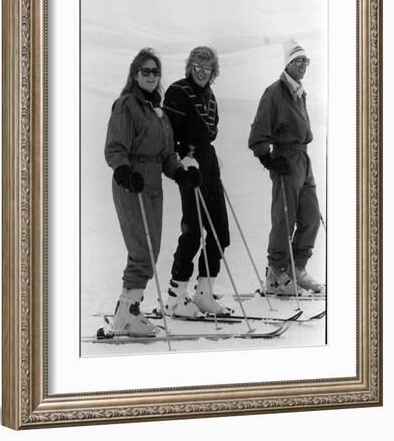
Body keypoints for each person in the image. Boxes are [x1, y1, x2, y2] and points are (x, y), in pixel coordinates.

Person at [105, 48, 202, 337]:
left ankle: (129, 310)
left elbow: (166, 155)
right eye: (145, 71)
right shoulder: (126, 105)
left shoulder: (157, 112)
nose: (150, 76)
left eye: (155, 72)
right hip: (131, 183)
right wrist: (123, 171)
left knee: (151, 250)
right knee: (141, 251)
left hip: (153, 185)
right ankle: (126, 314)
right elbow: (115, 147)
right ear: (135, 75)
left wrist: (181, 172)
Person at [248, 38, 323, 295]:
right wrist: (267, 158)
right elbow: (258, 132)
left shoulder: (300, 92)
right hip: (286, 159)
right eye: (298, 60)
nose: (303, 65)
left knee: (311, 217)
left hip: (303, 159)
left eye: (305, 60)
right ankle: (276, 273)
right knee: (284, 218)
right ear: (288, 63)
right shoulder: (274, 93)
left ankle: (297, 269)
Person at [162, 46, 231, 317]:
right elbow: (168, 131)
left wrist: (209, 157)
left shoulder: (210, 96)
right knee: (192, 231)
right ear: (190, 66)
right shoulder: (178, 91)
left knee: (220, 233)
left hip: (208, 163)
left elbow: (210, 132)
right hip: (189, 165)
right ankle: (175, 296)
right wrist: (182, 156)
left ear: (214, 72)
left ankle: (204, 292)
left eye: (207, 68)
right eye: (197, 67)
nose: (202, 73)